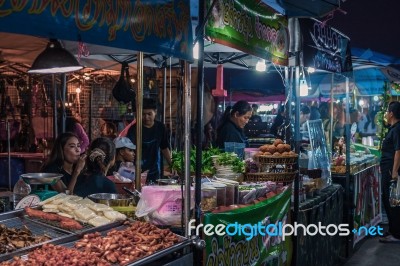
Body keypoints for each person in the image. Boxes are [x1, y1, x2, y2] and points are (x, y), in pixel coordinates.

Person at [127, 98, 172, 184]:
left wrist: (172, 165)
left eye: (149, 114)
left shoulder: (160, 127)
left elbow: (164, 148)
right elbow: (129, 150)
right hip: (138, 170)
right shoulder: (134, 129)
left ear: (155, 112)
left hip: (155, 169)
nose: (146, 117)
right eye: (143, 114)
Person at [379, 101, 400, 243]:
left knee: (393, 202)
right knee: (389, 201)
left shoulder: (397, 129)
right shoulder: (393, 128)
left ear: (391, 113)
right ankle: (393, 230)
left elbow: (398, 152)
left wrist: (394, 174)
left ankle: (397, 234)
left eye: (387, 111)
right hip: (388, 170)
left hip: (391, 172)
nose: (386, 114)